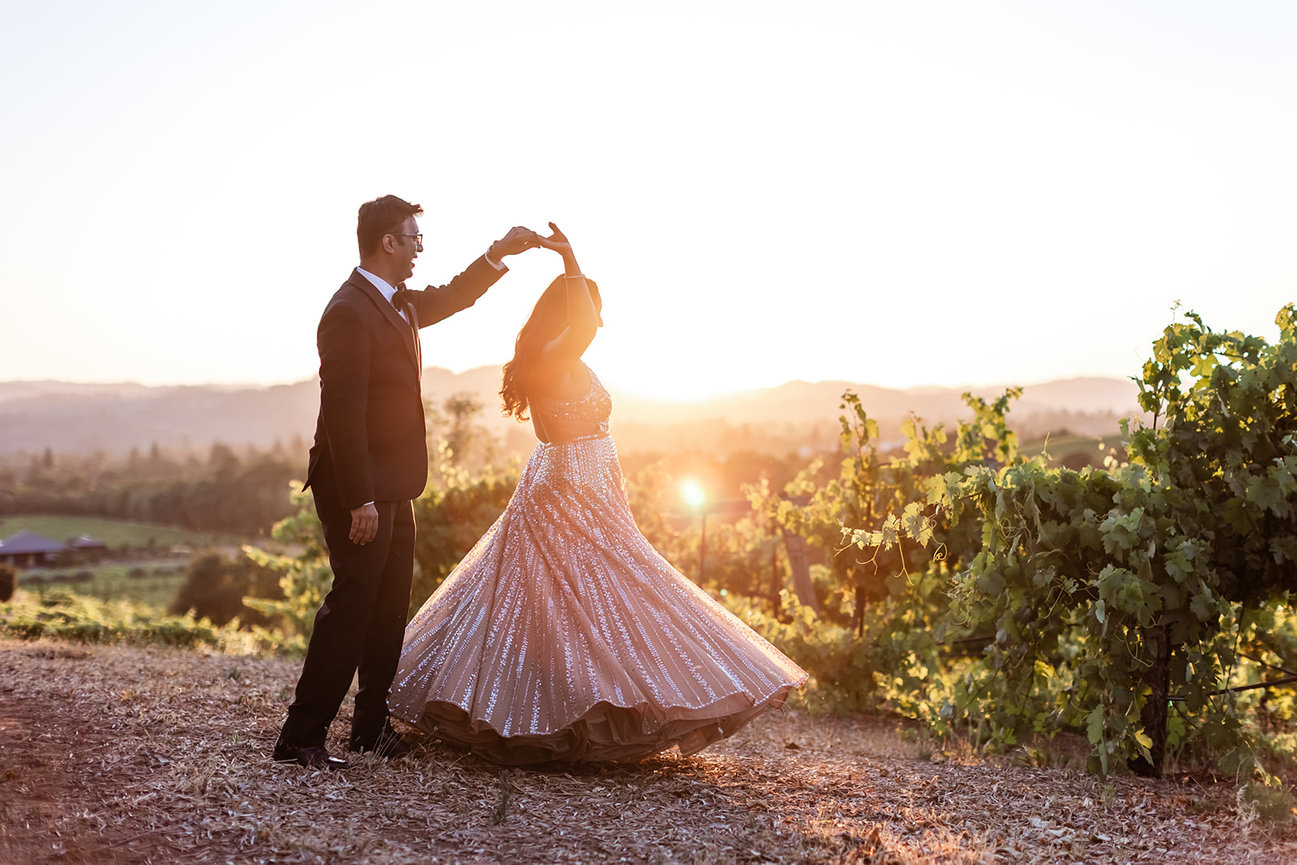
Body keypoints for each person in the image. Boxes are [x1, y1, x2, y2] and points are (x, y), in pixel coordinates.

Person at [388, 223, 808, 765]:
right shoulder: (554, 356)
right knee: (578, 599)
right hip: (568, 490)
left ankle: (575, 709)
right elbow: (586, 324)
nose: (600, 318)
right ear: (569, 310)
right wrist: (570, 260)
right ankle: (553, 716)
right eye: (590, 305)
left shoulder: (554, 355)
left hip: (579, 485)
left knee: (581, 604)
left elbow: (586, 325)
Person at [273, 195, 541, 770]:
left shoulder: (397, 303)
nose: (421, 246)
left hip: (396, 483)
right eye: (414, 237)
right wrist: (360, 499)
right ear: (388, 242)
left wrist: (498, 253)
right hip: (358, 486)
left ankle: (370, 731)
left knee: (390, 607)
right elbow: (342, 413)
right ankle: (299, 738)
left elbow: (452, 297)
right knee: (352, 604)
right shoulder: (348, 310)